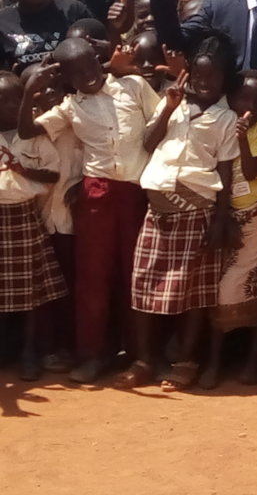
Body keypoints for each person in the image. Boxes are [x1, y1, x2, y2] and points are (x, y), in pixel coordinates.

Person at [19, 38, 159, 384]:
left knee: (136, 276)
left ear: (100, 61)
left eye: (91, 66)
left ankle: (141, 356)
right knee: (93, 278)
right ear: (66, 78)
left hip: (137, 192)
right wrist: (31, 91)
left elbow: (161, 125)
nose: (87, 76)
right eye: (77, 73)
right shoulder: (70, 108)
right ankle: (94, 355)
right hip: (97, 194)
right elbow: (26, 131)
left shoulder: (133, 86)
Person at [116, 32, 238, 392]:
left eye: (212, 76)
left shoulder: (226, 118)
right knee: (143, 287)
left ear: (224, 79)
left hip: (196, 212)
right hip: (157, 213)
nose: (203, 82)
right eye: (198, 75)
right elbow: (148, 143)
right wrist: (169, 108)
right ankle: (144, 360)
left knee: (193, 295)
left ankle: (186, 360)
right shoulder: (173, 103)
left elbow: (226, 173)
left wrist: (220, 220)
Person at [202, 69, 257, 389]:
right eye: (245, 98)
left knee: (253, 286)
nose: (252, 106)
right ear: (231, 98)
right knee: (218, 288)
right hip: (226, 218)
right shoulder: (219, 124)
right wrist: (222, 217)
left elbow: (250, 170)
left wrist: (244, 138)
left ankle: (253, 360)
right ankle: (215, 361)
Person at [0, 71, 65, 380]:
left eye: (15, 99)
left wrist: (23, 169)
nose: (10, 106)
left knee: (29, 294)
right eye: (2, 100)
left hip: (24, 217)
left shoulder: (34, 136)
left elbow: (53, 174)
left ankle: (29, 352)